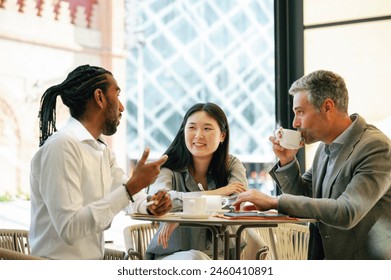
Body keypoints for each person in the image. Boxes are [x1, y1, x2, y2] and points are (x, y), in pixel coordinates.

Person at [234, 70, 391, 260]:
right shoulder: (325, 148)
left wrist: (275, 202)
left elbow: (348, 211)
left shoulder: (376, 147)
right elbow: (303, 194)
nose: (295, 122)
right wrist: (287, 160)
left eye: (300, 112)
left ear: (327, 107)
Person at [29, 65, 172, 259]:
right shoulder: (62, 146)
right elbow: (70, 228)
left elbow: (124, 195)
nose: (122, 107)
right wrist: (130, 188)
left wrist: (149, 204)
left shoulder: (101, 149)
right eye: (117, 94)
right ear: (100, 97)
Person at [130, 102, 248, 260]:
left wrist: (181, 213)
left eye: (207, 128)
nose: (198, 135)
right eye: (192, 128)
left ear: (222, 136)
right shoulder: (167, 166)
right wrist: (216, 194)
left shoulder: (232, 164)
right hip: (172, 257)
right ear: (183, 132)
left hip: (219, 256)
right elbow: (160, 200)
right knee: (195, 258)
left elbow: (236, 201)